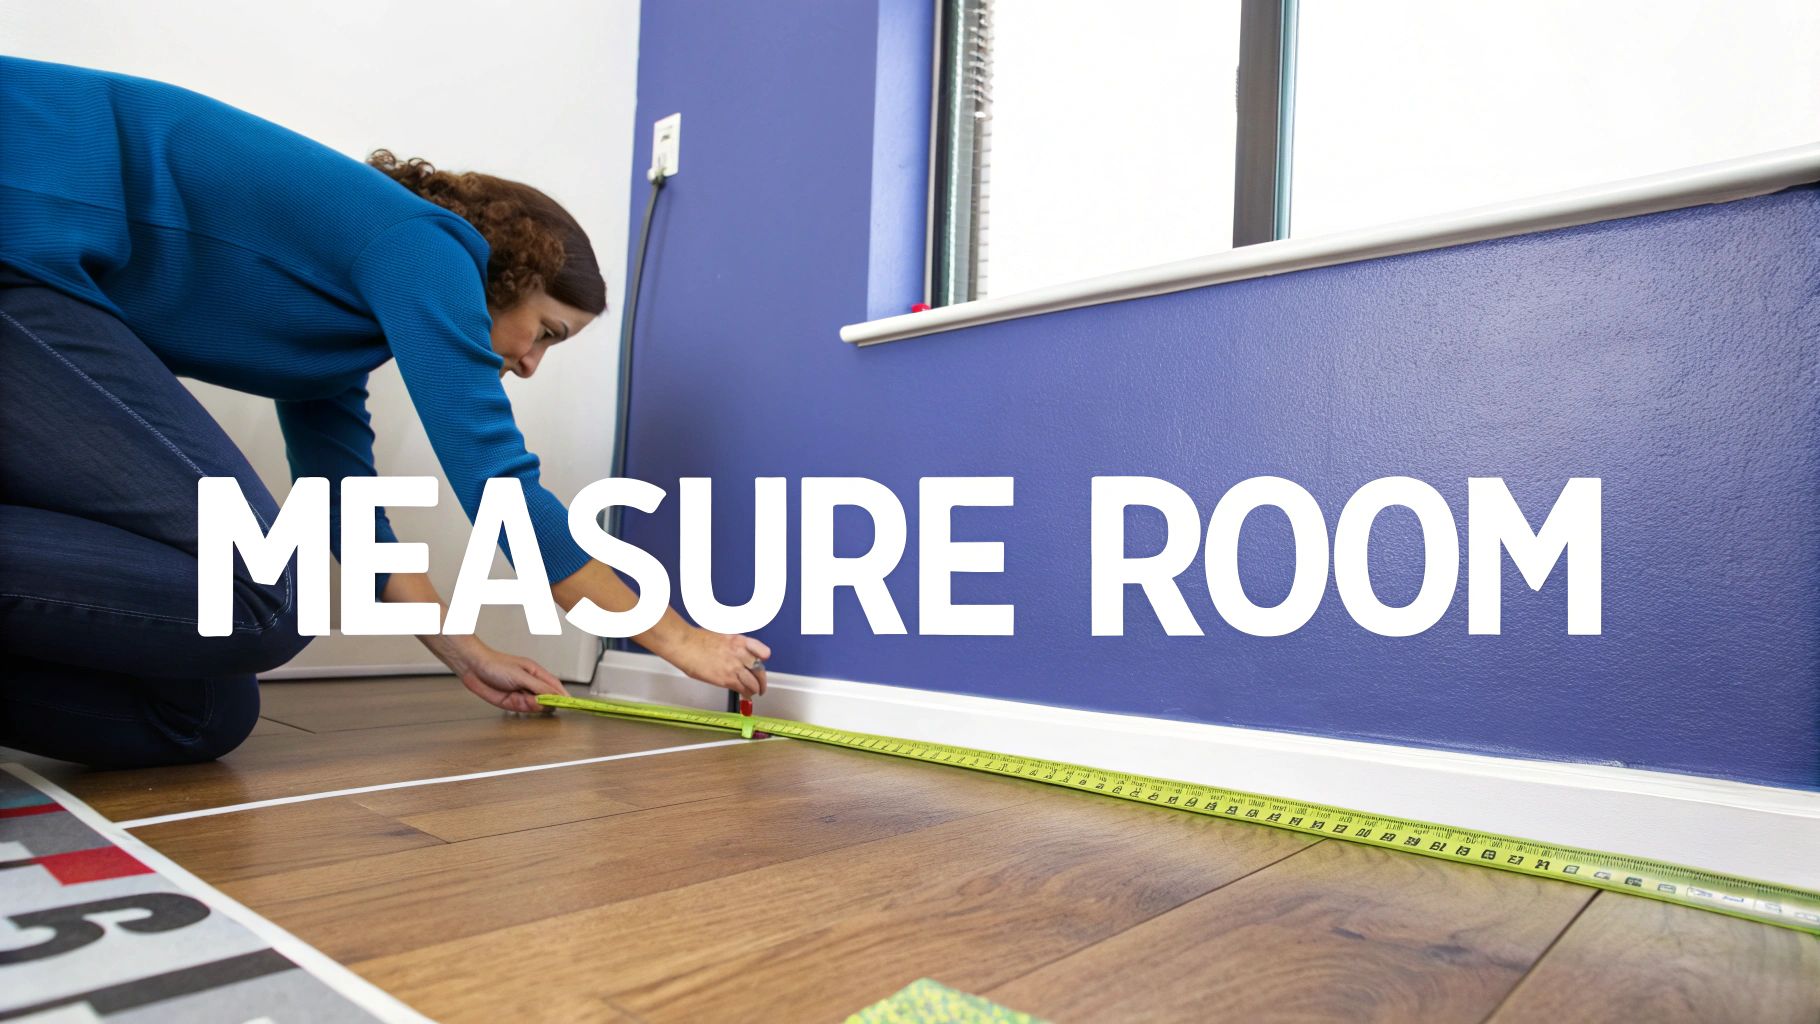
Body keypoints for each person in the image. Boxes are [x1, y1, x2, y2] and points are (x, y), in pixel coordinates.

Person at [0, 56, 768, 769]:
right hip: (20, 241)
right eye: (546, 334)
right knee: (266, 590)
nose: (531, 365)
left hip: (44, 280)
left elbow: (345, 507)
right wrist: (676, 636)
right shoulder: (428, 248)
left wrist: (463, 649)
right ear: (509, 277)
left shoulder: (333, 332)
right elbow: (498, 486)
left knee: (203, 708)